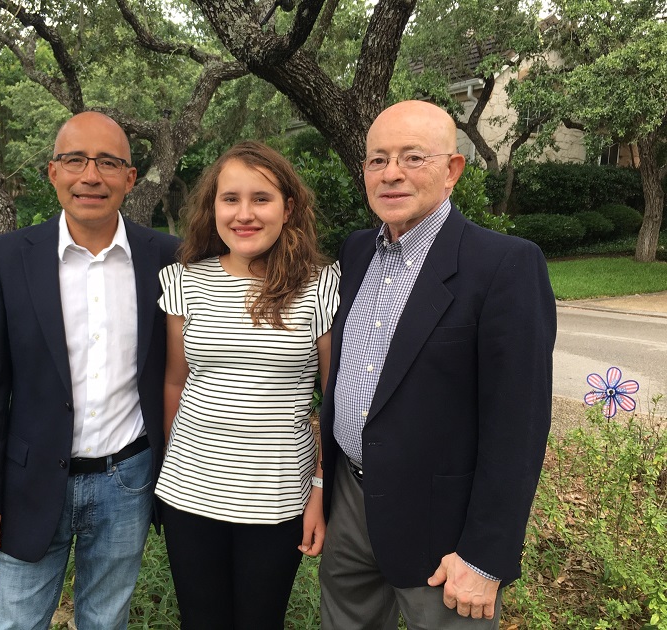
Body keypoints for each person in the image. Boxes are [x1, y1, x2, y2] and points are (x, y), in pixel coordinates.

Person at [318, 100, 556, 628]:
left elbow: (518, 426)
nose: (391, 173)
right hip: (350, 502)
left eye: (412, 157)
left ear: (452, 170)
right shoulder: (356, 252)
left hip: (442, 528)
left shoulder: (504, 265)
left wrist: (486, 557)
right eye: (377, 160)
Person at [0, 111, 180, 630]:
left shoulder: (167, 258)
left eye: (108, 162)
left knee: (106, 619)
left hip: (128, 480)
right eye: (75, 160)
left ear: (130, 177)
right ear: (53, 172)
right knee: (13, 621)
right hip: (30, 480)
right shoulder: (7, 258)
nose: (90, 176)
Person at [156, 141, 339, 629]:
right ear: (212, 207)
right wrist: (177, 461)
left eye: (261, 198)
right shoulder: (183, 281)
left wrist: (321, 489)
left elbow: (334, 400)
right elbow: (175, 383)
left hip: (278, 498)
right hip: (190, 495)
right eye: (230, 198)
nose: (244, 214)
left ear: (288, 207)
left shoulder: (321, 285)